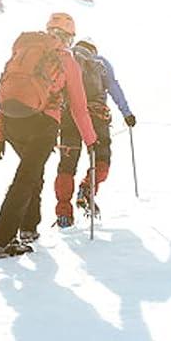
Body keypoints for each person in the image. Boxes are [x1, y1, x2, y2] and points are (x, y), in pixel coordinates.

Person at [0, 11, 95, 257]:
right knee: (26, 179)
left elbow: (9, 90)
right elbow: (79, 108)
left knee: (32, 174)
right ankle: (2, 240)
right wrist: (91, 141)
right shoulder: (66, 60)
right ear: (69, 36)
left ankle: (28, 228)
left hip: (12, 121)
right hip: (43, 123)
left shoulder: (26, 50)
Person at [53, 37, 134, 227]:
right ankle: (87, 188)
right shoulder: (101, 62)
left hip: (69, 115)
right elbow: (114, 87)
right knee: (101, 158)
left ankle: (63, 212)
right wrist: (127, 113)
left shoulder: (66, 58)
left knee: (67, 164)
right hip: (97, 116)